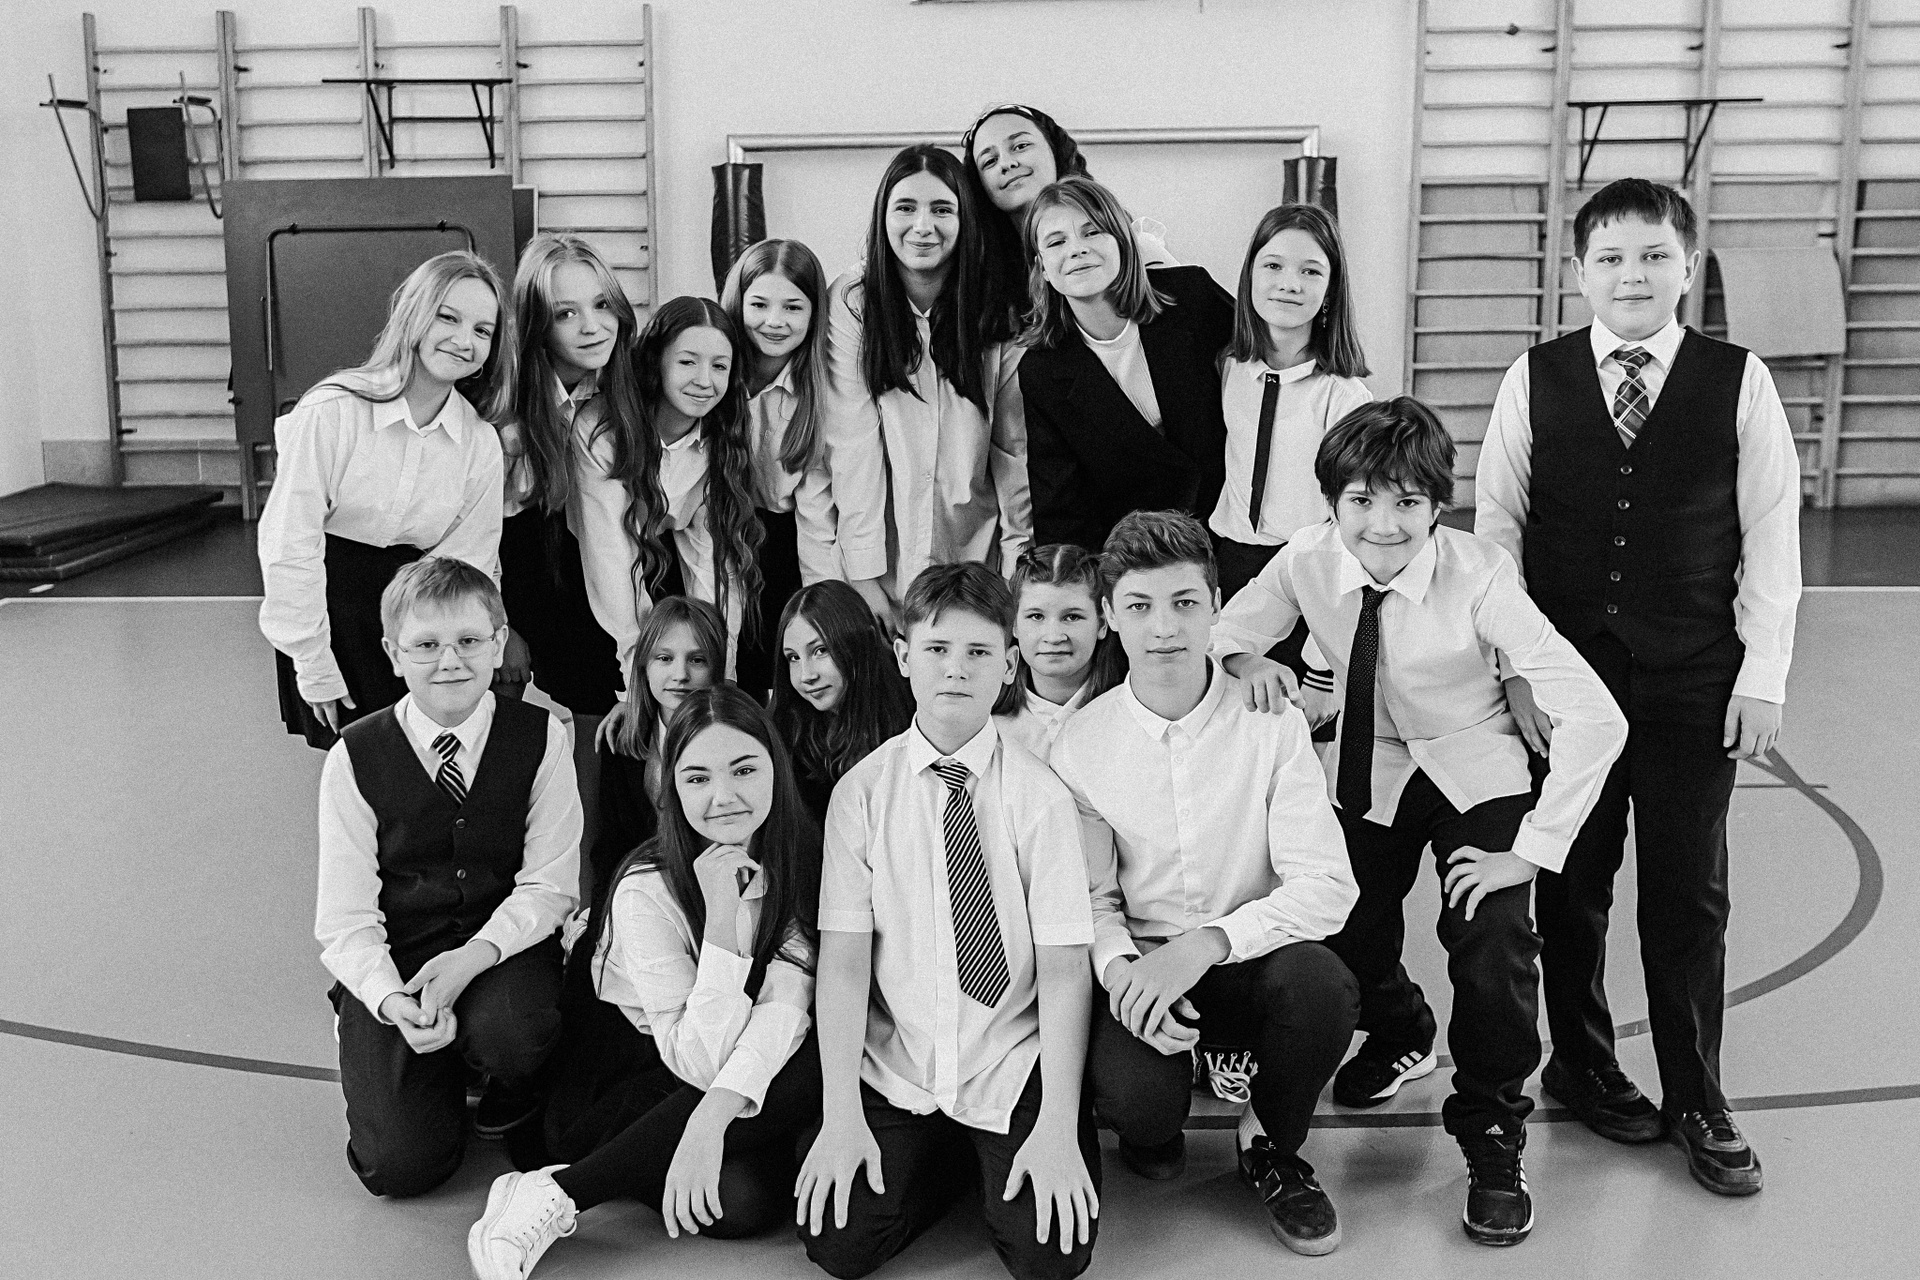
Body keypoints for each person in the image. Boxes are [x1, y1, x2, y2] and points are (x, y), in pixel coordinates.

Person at [1214, 398, 1627, 1245]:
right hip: (1369, 760)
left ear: (1439, 505)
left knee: (1493, 932)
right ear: (1332, 501)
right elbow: (1227, 631)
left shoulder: (1481, 576)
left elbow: (1599, 716)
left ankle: (1492, 1127)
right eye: (1361, 500)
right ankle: (1403, 1028)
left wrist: (1531, 852)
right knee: (1342, 920)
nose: (1383, 524)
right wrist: (1246, 656)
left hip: (1471, 758)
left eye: (1407, 501)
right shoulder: (1307, 558)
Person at [1476, 178, 1800, 1197]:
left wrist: (1764, 674)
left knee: (1688, 893)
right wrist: (1514, 671)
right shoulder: (1533, 379)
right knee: (1571, 886)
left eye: (1655, 255)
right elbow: (1497, 532)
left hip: (1694, 678)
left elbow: (1772, 535)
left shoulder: (1739, 380)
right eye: (1611, 257)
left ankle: (1697, 1094)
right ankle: (1579, 1065)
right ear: (1579, 272)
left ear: (1687, 267)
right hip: (1568, 684)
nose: (1633, 274)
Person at [1048, 509, 1358, 1257]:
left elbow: (1328, 884)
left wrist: (1208, 943)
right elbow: (1093, 900)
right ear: (1109, 617)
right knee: (1140, 1109)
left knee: (1324, 990)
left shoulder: (1271, 722)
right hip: (1147, 964)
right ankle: (1160, 1109)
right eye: (1140, 606)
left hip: (1246, 955)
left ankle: (1270, 1143)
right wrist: (1124, 974)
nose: (1164, 629)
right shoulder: (1079, 745)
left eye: (1185, 603)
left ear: (1216, 606)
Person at [797, 562, 1100, 1280]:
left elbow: (1064, 970)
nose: (955, 669)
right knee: (837, 1244)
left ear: (1009, 666)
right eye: (936, 649)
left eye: (978, 652)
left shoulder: (1041, 798)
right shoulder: (862, 793)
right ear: (904, 656)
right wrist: (840, 1115)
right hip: (899, 1061)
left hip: (1006, 1059)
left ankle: (992, 1151)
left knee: (1051, 1258)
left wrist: (1058, 1124)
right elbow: (843, 964)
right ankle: (952, 1164)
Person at [468, 686, 824, 1279]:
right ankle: (552, 1194)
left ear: (775, 769)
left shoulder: (798, 858)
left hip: (725, 1065)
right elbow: (697, 1058)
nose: (723, 797)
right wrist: (722, 921)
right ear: (671, 789)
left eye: (744, 770)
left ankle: (570, 1188)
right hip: (635, 1070)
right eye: (697, 778)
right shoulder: (645, 887)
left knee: (807, 1060)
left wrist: (710, 1120)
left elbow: (787, 1006)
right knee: (740, 1198)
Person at [315, 556, 578, 1196]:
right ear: (393, 653)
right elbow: (345, 920)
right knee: (400, 1167)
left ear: (499, 640)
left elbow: (549, 885)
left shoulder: (542, 737)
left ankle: (496, 1067)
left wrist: (471, 959)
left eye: (469, 640)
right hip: (400, 956)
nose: (450, 661)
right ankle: (412, 1061)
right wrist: (388, 999)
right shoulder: (353, 757)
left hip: (501, 948)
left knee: (513, 1032)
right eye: (426, 645)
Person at [259, 250, 512, 749]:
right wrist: (312, 661)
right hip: (329, 605)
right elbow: (290, 542)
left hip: (420, 612)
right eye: (448, 317)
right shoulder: (333, 410)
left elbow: (471, 562)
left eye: (483, 330)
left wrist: (452, 653)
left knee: (420, 759)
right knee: (352, 760)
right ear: (415, 315)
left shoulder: (479, 442)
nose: (465, 340)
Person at [825, 144, 1032, 629]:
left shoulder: (1000, 305)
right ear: (883, 217)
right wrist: (864, 575)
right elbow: (852, 442)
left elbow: (1014, 454)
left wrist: (1018, 573)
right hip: (881, 564)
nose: (923, 226)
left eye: (942, 209)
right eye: (906, 208)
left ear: (965, 220)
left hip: (980, 560)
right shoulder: (854, 300)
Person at [496, 232, 643, 863]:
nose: (592, 326)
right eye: (566, 313)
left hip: (578, 578)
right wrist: (501, 628)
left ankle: (588, 885)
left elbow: (611, 538)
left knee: (594, 744)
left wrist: (631, 645)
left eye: (602, 304)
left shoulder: (610, 395)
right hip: (513, 582)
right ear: (537, 325)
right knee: (500, 747)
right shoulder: (505, 416)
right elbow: (477, 540)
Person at [1015, 175, 1236, 554]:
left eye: (1092, 232)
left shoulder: (1193, 296)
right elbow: (1061, 507)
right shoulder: (1042, 371)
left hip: (1236, 530)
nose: (1077, 249)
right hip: (1141, 557)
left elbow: (1267, 367)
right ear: (1043, 268)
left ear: (1123, 241)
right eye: (1056, 242)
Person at [582, 296, 762, 712]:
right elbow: (609, 555)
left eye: (719, 366)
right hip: (585, 571)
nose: (704, 380)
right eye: (687, 362)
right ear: (657, 361)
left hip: (660, 560)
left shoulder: (722, 438)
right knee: (609, 705)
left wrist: (722, 676)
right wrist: (636, 671)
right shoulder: (601, 428)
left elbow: (712, 564)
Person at [1209, 203, 1373, 603]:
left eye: (1310, 272)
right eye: (1273, 266)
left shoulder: (1344, 396)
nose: (1290, 284)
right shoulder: (1227, 367)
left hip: (1305, 565)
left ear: (1330, 290)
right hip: (1227, 556)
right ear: (1250, 275)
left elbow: (1357, 503)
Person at [721, 239, 843, 700]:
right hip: (711, 534)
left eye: (793, 307)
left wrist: (820, 611)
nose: (775, 321)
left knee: (782, 676)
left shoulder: (817, 392)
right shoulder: (713, 374)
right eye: (759, 305)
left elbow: (816, 517)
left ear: (814, 314)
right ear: (738, 303)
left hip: (780, 547)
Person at [960, 103, 1178, 337]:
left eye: (1020, 146)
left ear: (1054, 151)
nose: (1006, 163)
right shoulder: (981, 276)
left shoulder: (1138, 249)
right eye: (989, 161)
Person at [591, 596, 728, 897]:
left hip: (718, 890)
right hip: (640, 894)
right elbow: (610, 849)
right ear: (644, 665)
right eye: (664, 658)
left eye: (697, 660)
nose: (680, 675)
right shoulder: (624, 739)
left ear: (716, 667)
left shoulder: (736, 737)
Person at [770, 580, 915, 824]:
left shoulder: (913, 713)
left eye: (820, 650)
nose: (806, 675)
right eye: (793, 657)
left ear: (858, 643)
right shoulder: (786, 733)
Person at [993, 543, 1125, 764]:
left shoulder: (1128, 713)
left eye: (1072, 617)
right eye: (1036, 616)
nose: (1053, 637)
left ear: (1102, 624)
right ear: (1014, 624)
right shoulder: (987, 721)